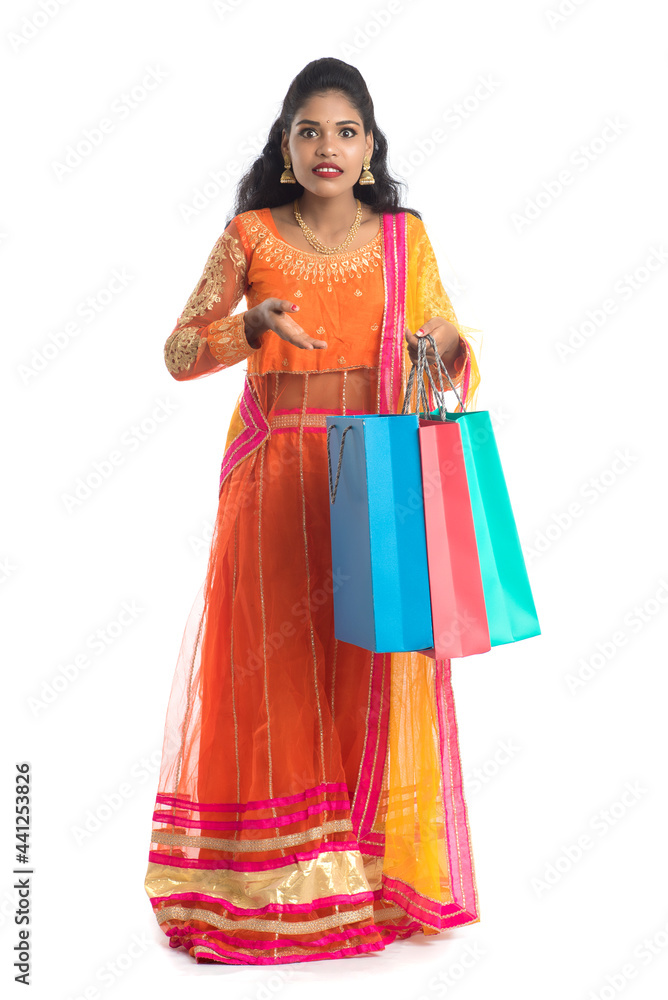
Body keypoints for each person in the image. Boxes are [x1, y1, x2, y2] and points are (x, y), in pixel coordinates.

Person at [144, 56, 483, 966]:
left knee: (366, 668)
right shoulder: (249, 235)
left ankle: (364, 869)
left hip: (372, 477)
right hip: (272, 482)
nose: (326, 146)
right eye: (308, 130)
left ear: (370, 149)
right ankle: (266, 876)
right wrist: (250, 327)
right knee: (272, 670)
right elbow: (178, 351)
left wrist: (441, 342)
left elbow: (449, 343)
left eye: (344, 131)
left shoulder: (406, 237)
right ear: (285, 149)